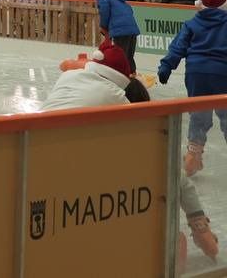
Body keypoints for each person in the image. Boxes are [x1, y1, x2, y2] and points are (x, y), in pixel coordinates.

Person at [44, 41, 219, 263]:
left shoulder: (69, 79)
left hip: (38, 155)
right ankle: (165, 239)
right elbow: (176, 175)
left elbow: (69, 65)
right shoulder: (121, 106)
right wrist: (199, 223)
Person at [160, 0, 227, 178]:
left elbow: (178, 47)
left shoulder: (192, 23)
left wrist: (166, 66)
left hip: (196, 74)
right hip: (223, 73)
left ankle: (192, 158)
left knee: (199, 115)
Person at [96, 0, 140, 74]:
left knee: (120, 54)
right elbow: (129, 10)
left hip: (120, 30)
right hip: (132, 28)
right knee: (129, 54)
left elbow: (104, 12)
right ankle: (132, 73)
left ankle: (121, 74)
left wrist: (103, 26)